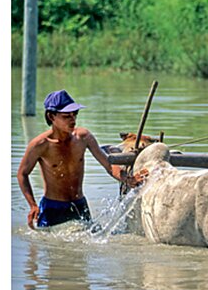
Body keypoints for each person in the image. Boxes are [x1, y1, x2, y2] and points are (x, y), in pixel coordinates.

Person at [17, 89, 146, 229]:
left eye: (75, 114)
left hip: (79, 205)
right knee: (51, 248)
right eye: (67, 116)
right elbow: (22, 174)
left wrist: (128, 179)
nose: (73, 119)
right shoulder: (40, 145)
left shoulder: (83, 137)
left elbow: (108, 164)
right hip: (53, 208)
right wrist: (33, 205)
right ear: (51, 116)